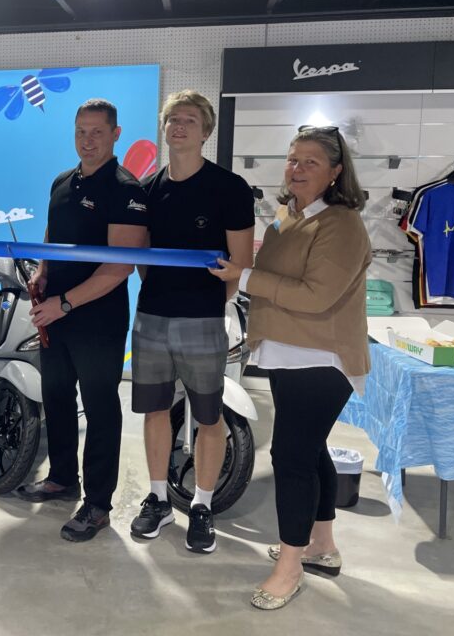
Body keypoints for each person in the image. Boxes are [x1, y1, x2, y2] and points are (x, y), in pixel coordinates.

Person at [210, 125, 370, 610]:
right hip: (286, 353)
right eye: (292, 159)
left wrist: (246, 276)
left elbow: (318, 295)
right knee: (310, 450)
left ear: (336, 172)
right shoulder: (290, 214)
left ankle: (290, 566)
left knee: (291, 458)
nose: (297, 169)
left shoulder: (341, 224)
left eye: (311, 162)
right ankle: (321, 546)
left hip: (321, 360)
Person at [129, 90, 255, 554]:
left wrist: (203, 304)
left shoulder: (230, 188)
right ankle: (159, 498)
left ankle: (201, 505)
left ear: (206, 131)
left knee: (209, 416)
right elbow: (143, 260)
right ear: (163, 128)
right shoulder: (146, 191)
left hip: (203, 318)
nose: (178, 127)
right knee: (155, 409)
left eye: (189, 120)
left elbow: (237, 267)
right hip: (150, 316)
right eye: (172, 120)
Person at [18, 98, 149, 542]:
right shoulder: (61, 182)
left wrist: (65, 304)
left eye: (96, 132)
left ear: (116, 134)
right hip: (56, 312)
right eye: (80, 131)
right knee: (55, 394)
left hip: (97, 319)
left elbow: (119, 268)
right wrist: (42, 271)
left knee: (99, 407)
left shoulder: (126, 189)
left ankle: (97, 503)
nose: (87, 140)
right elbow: (53, 235)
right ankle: (61, 477)